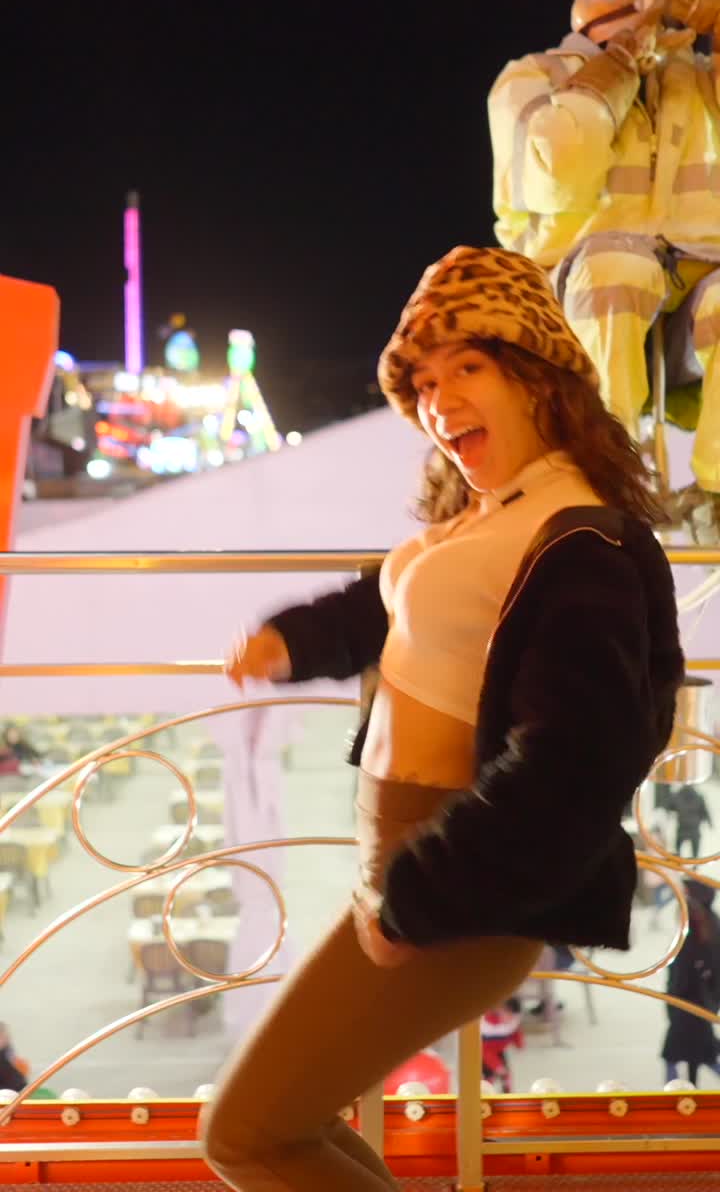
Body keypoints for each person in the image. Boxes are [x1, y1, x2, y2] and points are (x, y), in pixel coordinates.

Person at [200, 245, 684, 1192]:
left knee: (248, 1132)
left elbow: (574, 765)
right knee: (284, 1121)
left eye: (468, 367)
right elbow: (398, 609)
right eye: (423, 381)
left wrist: (418, 897)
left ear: (540, 376)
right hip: (411, 876)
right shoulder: (490, 514)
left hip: (458, 889)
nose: (438, 399)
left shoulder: (580, 541)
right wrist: (293, 641)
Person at [489, 0, 720, 537]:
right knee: (618, 266)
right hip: (572, 309)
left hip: (689, 299)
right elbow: (556, 172)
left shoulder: (698, 82)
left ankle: (717, 493)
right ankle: (604, 483)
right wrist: (616, 66)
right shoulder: (533, 78)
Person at [661, 879, 720, 1086]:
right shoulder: (711, 923)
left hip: (687, 1003)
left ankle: (672, 1094)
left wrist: (671, 1000)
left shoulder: (692, 931)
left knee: (676, 1054)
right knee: (699, 1054)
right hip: (702, 1002)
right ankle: (680, 1090)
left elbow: (681, 974)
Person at [670, 783, 712, 859]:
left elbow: (670, 807)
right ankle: (694, 861)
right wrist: (709, 822)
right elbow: (704, 811)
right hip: (694, 827)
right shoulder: (698, 796)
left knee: (678, 846)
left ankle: (677, 859)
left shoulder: (677, 795)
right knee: (695, 849)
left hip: (683, 826)